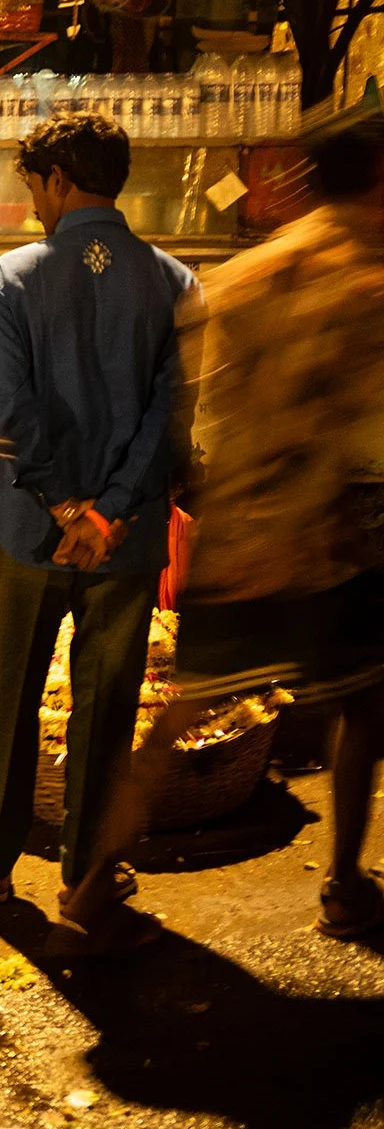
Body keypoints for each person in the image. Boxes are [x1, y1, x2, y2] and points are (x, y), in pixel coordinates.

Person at [0, 111, 197, 947]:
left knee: (14, 692)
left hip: (30, 531)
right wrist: (107, 513)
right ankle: (84, 875)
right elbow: (170, 416)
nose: (33, 205)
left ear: (59, 179)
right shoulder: (173, 280)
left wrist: (64, 509)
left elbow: (16, 415)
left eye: (34, 187)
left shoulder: (14, 277)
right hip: (125, 539)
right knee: (106, 704)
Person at [165, 111, 384, 939]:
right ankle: (343, 882)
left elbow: (204, 398)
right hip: (328, 534)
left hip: (241, 532)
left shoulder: (246, 275)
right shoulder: (361, 277)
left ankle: (84, 889)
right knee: (362, 703)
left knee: (185, 712)